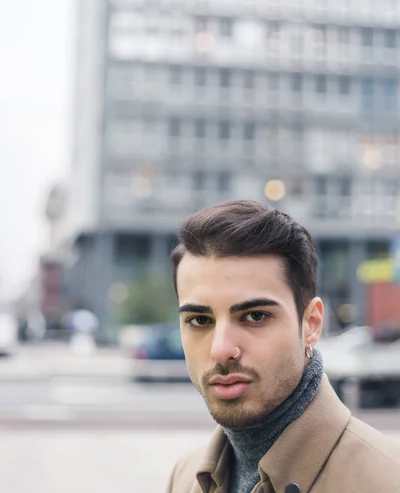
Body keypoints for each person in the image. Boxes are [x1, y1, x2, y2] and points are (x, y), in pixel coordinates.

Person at [166, 200, 400, 493]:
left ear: (311, 324)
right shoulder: (185, 477)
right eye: (200, 319)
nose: (221, 349)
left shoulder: (387, 480)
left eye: (255, 316)